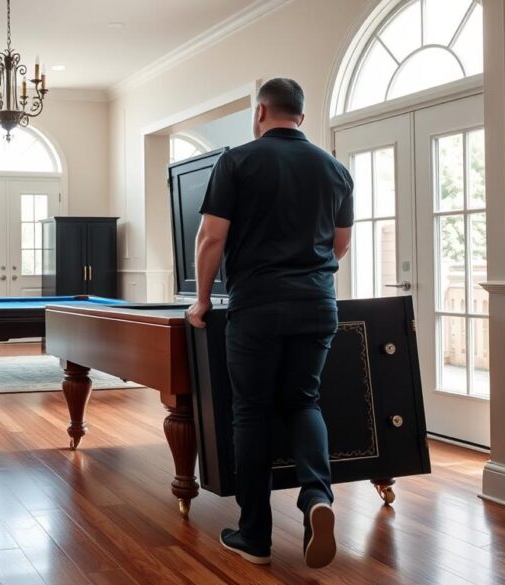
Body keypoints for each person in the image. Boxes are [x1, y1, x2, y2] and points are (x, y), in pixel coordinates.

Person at [186, 78, 353, 569]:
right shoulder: (335, 169)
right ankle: (316, 497)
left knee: (251, 412)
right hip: (318, 304)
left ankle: (255, 535)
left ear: (261, 112)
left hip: (257, 305)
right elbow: (340, 244)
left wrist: (200, 302)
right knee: (305, 401)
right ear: (300, 115)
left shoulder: (237, 161)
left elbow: (210, 239)